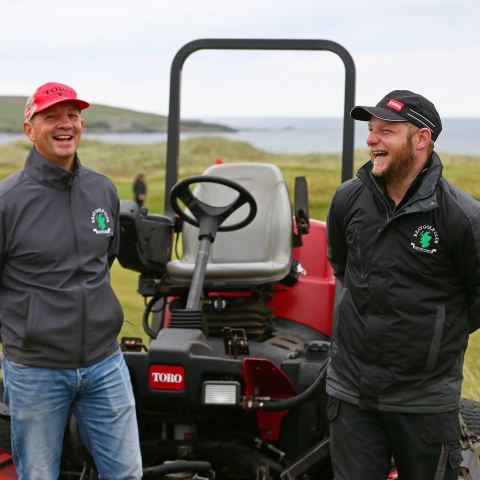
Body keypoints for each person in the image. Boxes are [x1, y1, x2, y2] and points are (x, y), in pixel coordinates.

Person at [326, 90, 480, 480]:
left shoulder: (462, 217)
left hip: (424, 403)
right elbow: (343, 268)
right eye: (371, 130)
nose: (372, 140)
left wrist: (434, 339)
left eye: (386, 132)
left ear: (421, 139)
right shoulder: (347, 200)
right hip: (351, 397)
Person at [0, 82, 143, 479]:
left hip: (104, 362)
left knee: (127, 474)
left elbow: (105, 258)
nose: (65, 124)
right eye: (52, 116)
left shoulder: (102, 189)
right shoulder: (7, 201)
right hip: (36, 369)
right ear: (30, 129)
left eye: (73, 115)